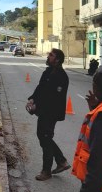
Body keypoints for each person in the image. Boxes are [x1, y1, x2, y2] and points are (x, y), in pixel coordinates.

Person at [26, 48, 70, 181]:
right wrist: (32, 99)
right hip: (44, 111)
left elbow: (52, 98)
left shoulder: (61, 76)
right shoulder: (48, 72)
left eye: (51, 55)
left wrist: (37, 106)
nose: (48, 56)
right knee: (44, 137)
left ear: (57, 60)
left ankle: (46, 171)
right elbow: (40, 89)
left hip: (52, 112)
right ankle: (61, 161)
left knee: (45, 138)